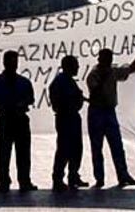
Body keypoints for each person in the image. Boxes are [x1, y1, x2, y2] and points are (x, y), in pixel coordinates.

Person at [86, 44, 135, 188]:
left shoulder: (112, 71)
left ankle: (123, 175)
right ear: (100, 59)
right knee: (97, 147)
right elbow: (94, 92)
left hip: (109, 112)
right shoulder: (94, 74)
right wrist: (104, 76)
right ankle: (99, 178)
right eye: (107, 58)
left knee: (117, 146)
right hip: (97, 112)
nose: (109, 61)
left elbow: (131, 69)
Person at [0, 50, 38, 193]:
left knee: (23, 153)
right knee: (4, 153)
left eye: (15, 61)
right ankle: (4, 182)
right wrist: (1, 107)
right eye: (10, 61)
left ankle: (24, 181)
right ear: (4, 62)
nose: (13, 64)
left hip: (20, 119)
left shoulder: (23, 82)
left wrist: (22, 104)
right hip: (6, 118)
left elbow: (31, 98)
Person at [49, 56, 89, 191]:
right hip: (66, 118)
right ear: (68, 66)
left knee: (76, 149)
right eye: (75, 65)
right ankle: (58, 179)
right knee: (64, 150)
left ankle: (73, 176)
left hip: (71, 117)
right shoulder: (61, 82)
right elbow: (59, 101)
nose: (78, 68)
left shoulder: (68, 81)